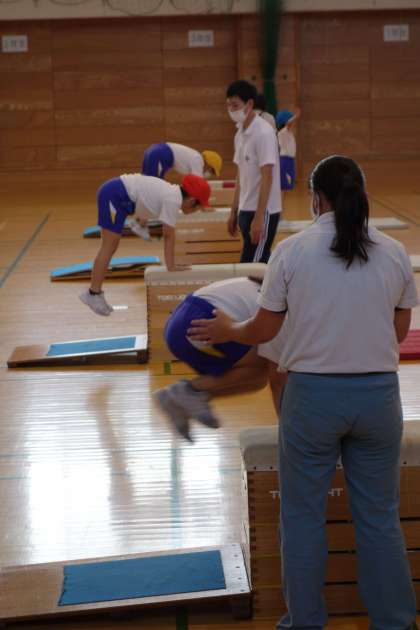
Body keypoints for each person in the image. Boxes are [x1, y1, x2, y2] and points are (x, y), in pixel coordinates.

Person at [187, 155, 419, 630]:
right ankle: (395, 622)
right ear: (362, 196)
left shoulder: (292, 251)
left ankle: (306, 622)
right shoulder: (395, 251)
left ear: (316, 199)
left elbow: (263, 329)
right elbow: (398, 332)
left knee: (302, 517)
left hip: (314, 398)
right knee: (379, 518)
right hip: (378, 399)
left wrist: (229, 329)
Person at [154, 275, 287, 442]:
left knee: (256, 381)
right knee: (262, 368)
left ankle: (183, 401)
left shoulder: (270, 286)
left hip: (178, 322)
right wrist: (288, 433)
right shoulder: (282, 309)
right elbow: (278, 380)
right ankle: (188, 391)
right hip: (200, 322)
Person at [79, 173, 211, 317]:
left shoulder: (172, 194)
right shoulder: (173, 199)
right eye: (199, 207)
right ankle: (93, 293)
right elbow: (168, 234)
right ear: (192, 201)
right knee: (108, 246)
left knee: (111, 245)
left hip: (118, 195)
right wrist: (171, 266)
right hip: (114, 194)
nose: (198, 211)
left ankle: (95, 292)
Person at [226, 80, 281, 263]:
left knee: (253, 266)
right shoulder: (239, 134)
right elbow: (240, 176)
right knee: (253, 263)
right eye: (228, 105)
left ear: (249, 104)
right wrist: (233, 211)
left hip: (263, 211)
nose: (231, 110)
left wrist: (259, 217)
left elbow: (268, 176)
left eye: (235, 105)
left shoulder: (264, 133)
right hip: (245, 208)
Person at [141, 142, 222, 180]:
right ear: (208, 164)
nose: (209, 174)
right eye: (211, 171)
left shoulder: (195, 156)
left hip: (155, 151)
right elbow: (198, 183)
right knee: (152, 184)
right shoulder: (197, 160)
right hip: (160, 153)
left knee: (147, 181)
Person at [276, 108, 300, 205]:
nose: (292, 123)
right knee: (282, 189)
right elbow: (289, 123)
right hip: (285, 161)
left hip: (289, 161)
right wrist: (296, 116)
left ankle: (280, 211)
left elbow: (288, 123)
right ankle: (279, 211)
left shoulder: (286, 132)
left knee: (284, 189)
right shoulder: (283, 132)